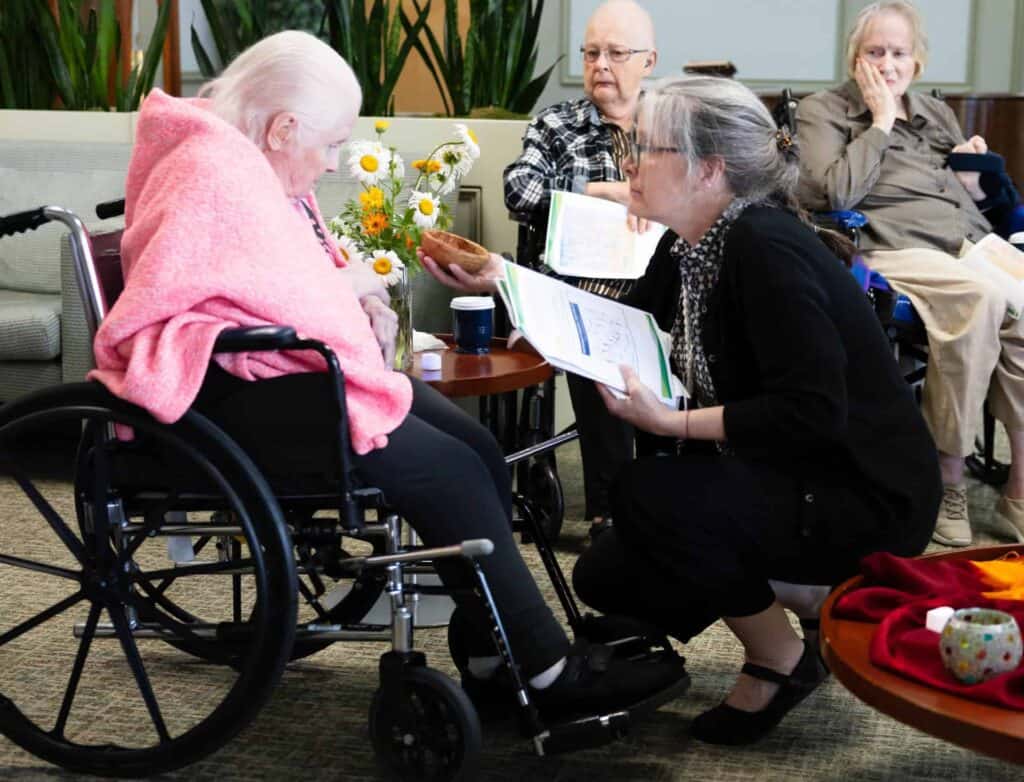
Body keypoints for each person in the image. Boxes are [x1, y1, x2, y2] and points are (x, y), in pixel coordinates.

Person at [89, 30, 687, 718]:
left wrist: (349, 292)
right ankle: (549, 676)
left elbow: (281, 276)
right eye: (330, 142)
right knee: (450, 472)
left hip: (278, 372)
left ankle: (498, 649)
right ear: (285, 128)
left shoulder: (244, 157)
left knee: (478, 450)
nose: (334, 160)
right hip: (226, 394)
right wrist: (349, 297)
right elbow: (268, 291)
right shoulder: (213, 170)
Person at [427, 73, 942, 744]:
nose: (630, 163)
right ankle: (808, 593)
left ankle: (779, 658)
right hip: (798, 474)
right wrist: (504, 282)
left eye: (649, 148)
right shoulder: (697, 241)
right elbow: (610, 321)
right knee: (607, 575)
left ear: (710, 170)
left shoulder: (765, 247)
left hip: (865, 492)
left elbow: (811, 414)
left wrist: (673, 424)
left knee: (649, 493)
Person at [796, 0, 1024, 548]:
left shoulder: (934, 113)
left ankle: (1020, 489)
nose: (887, 64)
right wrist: (877, 124)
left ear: (916, 64)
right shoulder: (822, 111)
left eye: (899, 54)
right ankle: (948, 477)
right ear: (855, 59)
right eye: (875, 52)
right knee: (982, 301)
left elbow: (988, 198)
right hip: (894, 244)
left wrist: (976, 171)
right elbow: (831, 195)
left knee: (1017, 317)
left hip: (966, 240)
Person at [502, 0, 658, 536]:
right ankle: (611, 513)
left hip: (660, 282)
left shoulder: (672, 122)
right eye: (592, 53)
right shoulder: (558, 124)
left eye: (617, 53)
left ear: (649, 61)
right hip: (580, 287)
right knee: (604, 337)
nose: (602, 66)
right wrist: (601, 192)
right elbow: (518, 190)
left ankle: (683, 496)